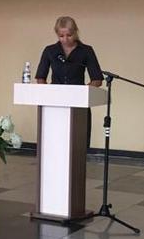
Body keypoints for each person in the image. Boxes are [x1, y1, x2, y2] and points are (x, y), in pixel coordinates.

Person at [35, 16, 104, 144]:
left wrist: (81, 93)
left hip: (79, 103)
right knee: (54, 140)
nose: (65, 39)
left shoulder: (86, 51)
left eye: (69, 35)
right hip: (55, 103)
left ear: (75, 32)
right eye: (61, 36)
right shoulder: (50, 51)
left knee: (78, 141)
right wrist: (49, 94)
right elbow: (40, 77)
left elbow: (97, 79)